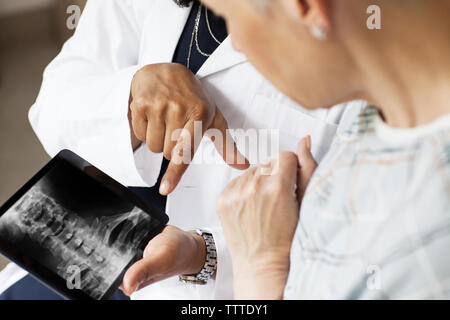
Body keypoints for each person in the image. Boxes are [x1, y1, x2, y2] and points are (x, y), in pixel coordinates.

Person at [0, 0, 351, 299]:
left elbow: (348, 260)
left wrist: (205, 258)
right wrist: (132, 93)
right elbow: (51, 108)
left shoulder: (357, 50)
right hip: (64, 262)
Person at [202, 0, 450, 299]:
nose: (238, 44)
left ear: (304, 7)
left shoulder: (428, 244)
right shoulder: (380, 115)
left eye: (227, 15)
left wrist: (260, 272)